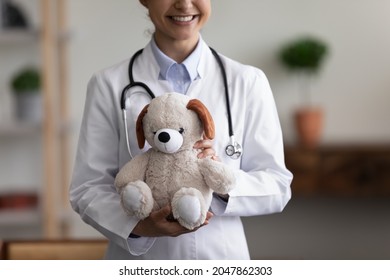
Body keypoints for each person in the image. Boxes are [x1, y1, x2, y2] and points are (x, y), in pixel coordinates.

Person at [70, 0, 292, 260]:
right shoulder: (108, 84)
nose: (185, 4)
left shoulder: (247, 81)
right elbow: (88, 187)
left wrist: (220, 183)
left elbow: (277, 185)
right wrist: (138, 226)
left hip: (220, 259)